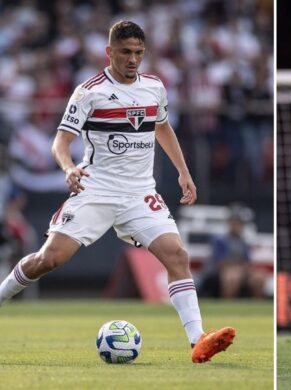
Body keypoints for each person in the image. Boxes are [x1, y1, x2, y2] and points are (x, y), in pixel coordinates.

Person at [0, 21, 234, 364]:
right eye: (125, 52)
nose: (133, 59)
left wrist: (184, 172)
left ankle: (198, 341)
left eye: (139, 53)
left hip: (140, 193)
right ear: (110, 52)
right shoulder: (89, 91)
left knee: (177, 256)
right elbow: (60, 141)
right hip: (96, 189)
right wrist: (68, 168)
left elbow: (162, 127)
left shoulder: (154, 87)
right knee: (47, 260)